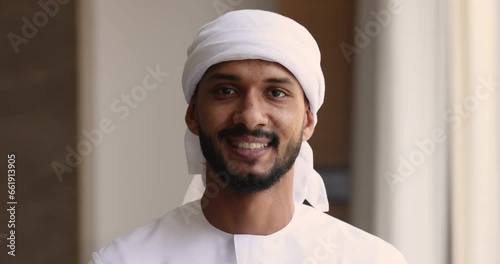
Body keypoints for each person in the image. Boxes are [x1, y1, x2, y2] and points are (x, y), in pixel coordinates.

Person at [88, 9, 406, 264]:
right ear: (193, 115)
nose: (251, 116)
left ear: (308, 121)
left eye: (276, 93)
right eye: (226, 91)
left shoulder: (370, 258)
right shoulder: (124, 259)